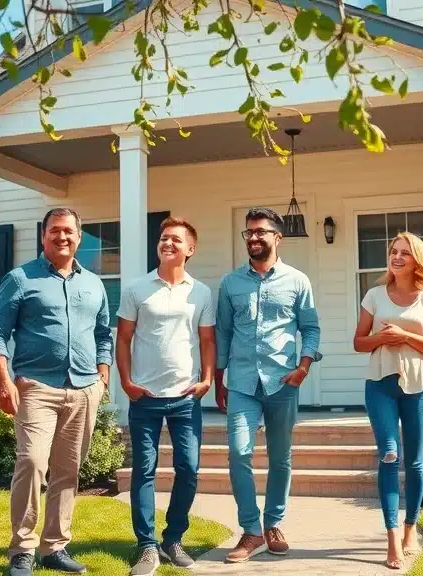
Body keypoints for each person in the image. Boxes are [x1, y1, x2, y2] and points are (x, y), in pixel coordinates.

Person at [0, 207, 113, 576]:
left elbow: (104, 334)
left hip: (84, 388)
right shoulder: (20, 279)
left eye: (69, 231)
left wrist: (103, 377)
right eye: (55, 231)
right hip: (36, 388)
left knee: (67, 471)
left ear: (79, 236)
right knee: (31, 463)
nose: (62, 237)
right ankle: (22, 548)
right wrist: (4, 381)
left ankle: (54, 547)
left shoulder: (94, 284)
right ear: (43, 236)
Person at [214, 207, 322, 564]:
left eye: (261, 232)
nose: (254, 238)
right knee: (239, 453)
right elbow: (224, 332)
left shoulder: (297, 281)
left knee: (280, 457)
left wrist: (304, 366)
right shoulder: (231, 283)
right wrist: (219, 378)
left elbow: (311, 327)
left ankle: (273, 523)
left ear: (278, 237)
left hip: (282, 381)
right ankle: (251, 530)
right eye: (249, 233)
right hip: (242, 381)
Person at [116, 217, 216, 576]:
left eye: (175, 240)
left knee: (188, 469)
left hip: (186, 397)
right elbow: (123, 338)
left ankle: (173, 539)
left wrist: (206, 379)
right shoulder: (137, 288)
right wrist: (126, 381)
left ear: (190, 249)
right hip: (144, 396)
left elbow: (207, 341)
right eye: (163, 238)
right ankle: (146, 547)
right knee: (143, 471)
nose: (167, 243)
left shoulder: (201, 292)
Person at [352, 231, 423, 571]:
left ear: (416, 259)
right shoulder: (375, 295)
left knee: (415, 463)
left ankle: (410, 529)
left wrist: (404, 335)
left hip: (420, 387)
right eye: (393, 251)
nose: (397, 257)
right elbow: (359, 342)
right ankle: (392, 538)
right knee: (390, 455)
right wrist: (381, 338)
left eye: (405, 252)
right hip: (380, 385)